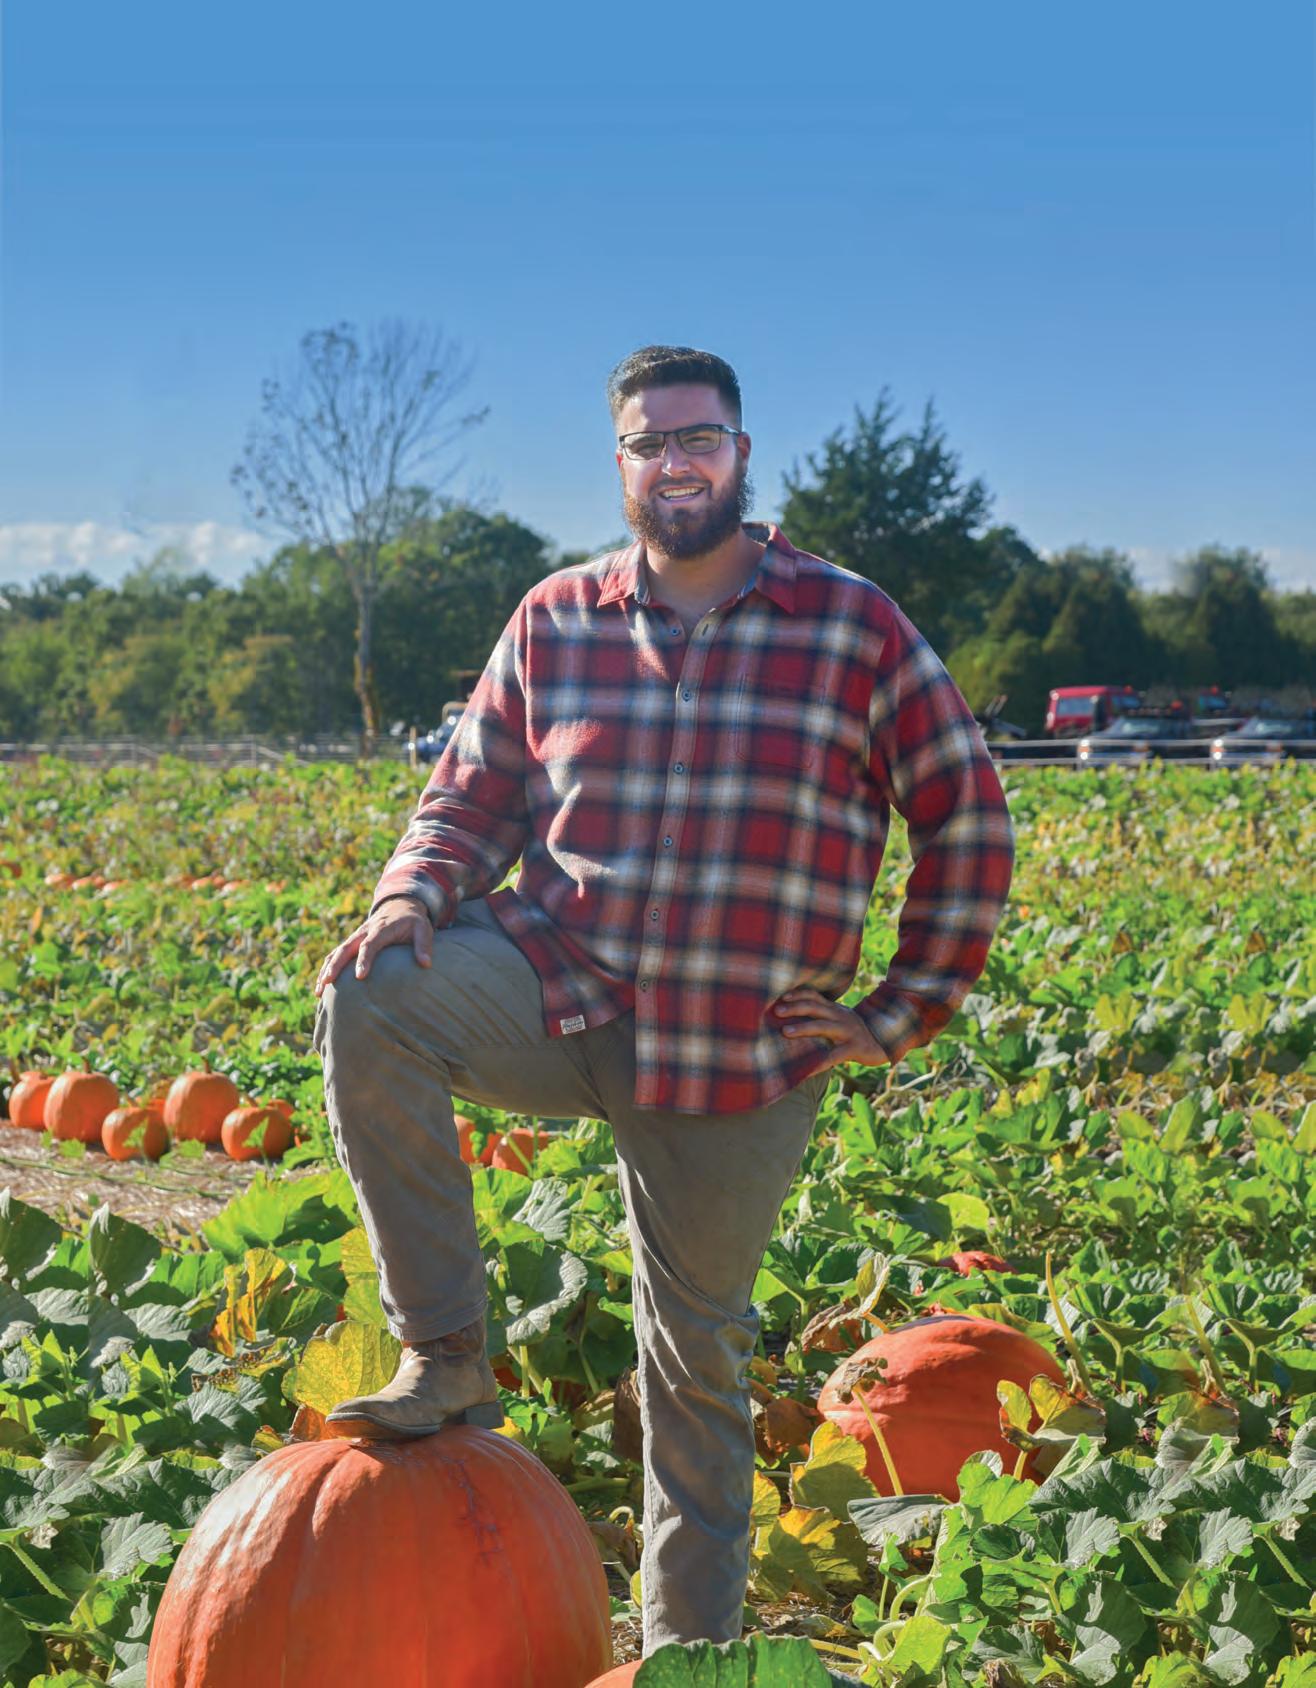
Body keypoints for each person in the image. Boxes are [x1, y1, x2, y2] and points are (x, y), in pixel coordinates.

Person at [312, 344, 1015, 1652]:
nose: (675, 462)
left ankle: (686, 1659)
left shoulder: (853, 626)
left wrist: (899, 1009)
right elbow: (467, 797)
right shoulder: (556, 617)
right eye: (650, 443)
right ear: (622, 463)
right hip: (559, 983)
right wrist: (412, 891)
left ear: (741, 454)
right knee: (374, 992)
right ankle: (446, 1351)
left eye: (699, 438)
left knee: (693, 1364)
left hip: (739, 1045)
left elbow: (966, 816)